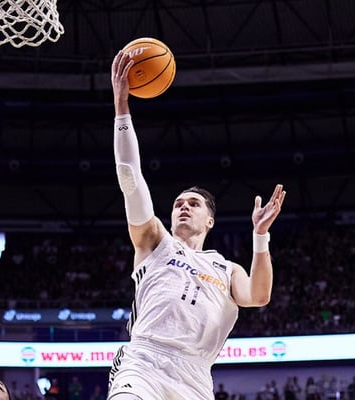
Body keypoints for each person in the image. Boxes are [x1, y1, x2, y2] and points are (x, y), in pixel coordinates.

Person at [107, 49, 287, 400]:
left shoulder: (227, 268)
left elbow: (258, 295)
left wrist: (260, 235)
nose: (183, 207)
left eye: (193, 204)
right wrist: (121, 106)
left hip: (195, 376)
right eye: (178, 204)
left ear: (210, 220)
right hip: (144, 362)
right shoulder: (155, 242)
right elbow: (130, 176)